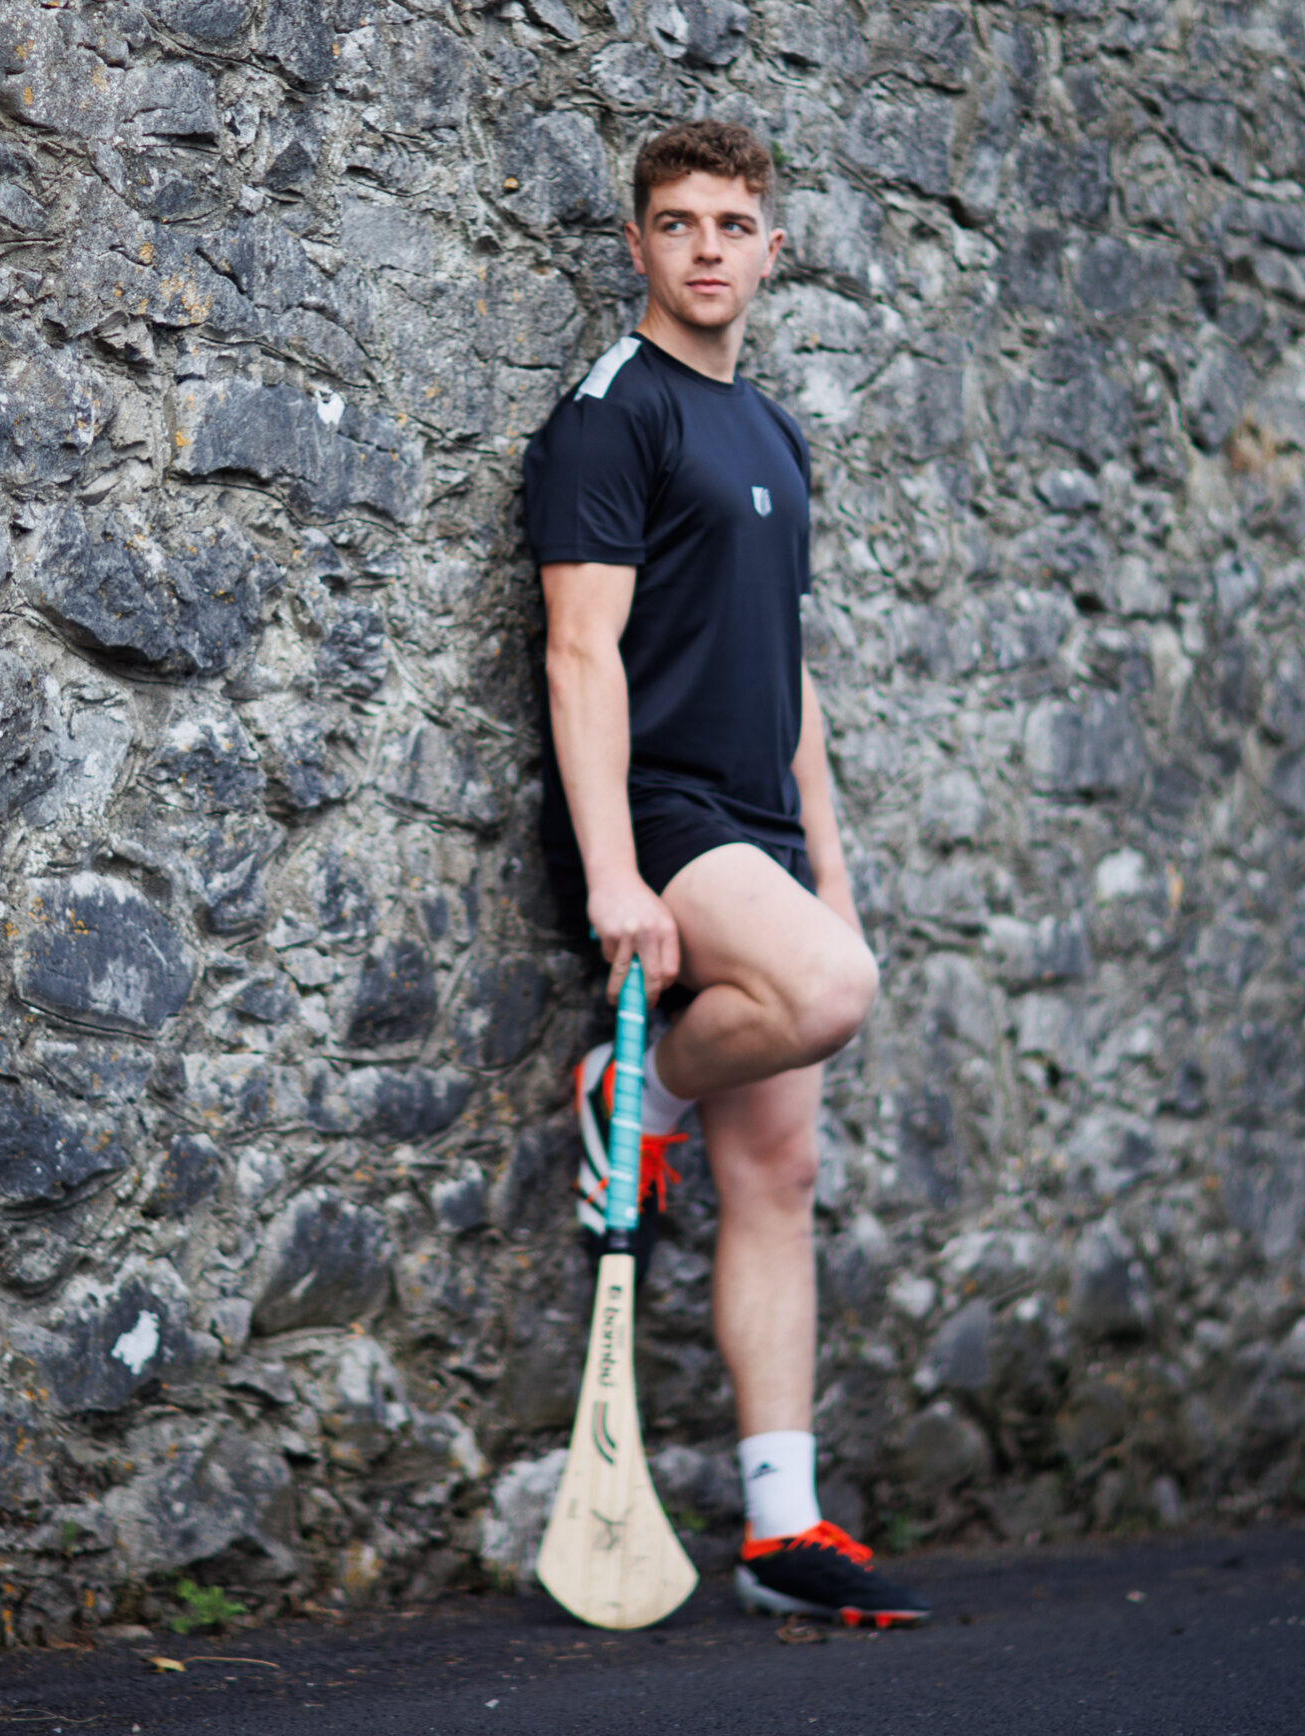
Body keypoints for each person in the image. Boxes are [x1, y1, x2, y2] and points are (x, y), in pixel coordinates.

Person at [523, 118, 931, 1629]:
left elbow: (790, 672)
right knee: (827, 994)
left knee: (782, 1172)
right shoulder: (610, 417)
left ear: (773, 251)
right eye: (679, 222)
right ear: (637, 244)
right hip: (660, 816)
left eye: (733, 223)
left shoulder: (771, 433)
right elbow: (580, 652)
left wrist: (831, 872)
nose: (707, 247)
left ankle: (778, 1528)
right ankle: (636, 1094)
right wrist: (613, 878)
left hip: (759, 824)